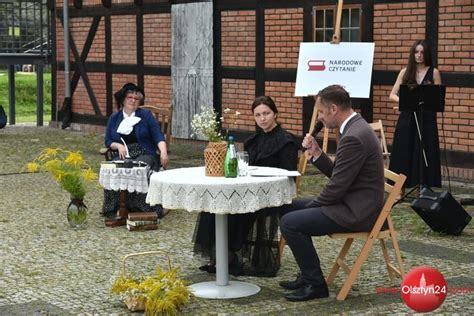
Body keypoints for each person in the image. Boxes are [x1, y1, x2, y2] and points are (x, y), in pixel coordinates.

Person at [278, 85, 384, 301]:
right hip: (349, 201)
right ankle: (307, 275)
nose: (319, 118)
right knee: (286, 207)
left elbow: (336, 187)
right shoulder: (354, 127)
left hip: (355, 212)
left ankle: (316, 285)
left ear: (333, 108)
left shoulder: (354, 135)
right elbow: (340, 174)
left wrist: (313, 206)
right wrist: (317, 153)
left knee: (291, 222)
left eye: (321, 112)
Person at [193, 96, 299, 277]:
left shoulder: (286, 141)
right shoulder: (252, 141)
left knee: (235, 209)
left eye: (266, 113)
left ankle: (231, 254)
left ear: (275, 114)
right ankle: (222, 255)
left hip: (270, 195)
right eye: (258, 115)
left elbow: (289, 175)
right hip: (249, 189)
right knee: (214, 204)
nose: (262, 118)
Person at [102, 82, 169, 217]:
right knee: (112, 168)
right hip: (122, 154)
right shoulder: (114, 118)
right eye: (129, 97)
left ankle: (143, 207)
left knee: (139, 168)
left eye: (136, 98)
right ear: (123, 100)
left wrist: (163, 152)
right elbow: (108, 141)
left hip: (144, 152)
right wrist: (118, 145)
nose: (133, 100)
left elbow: (158, 136)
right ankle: (113, 207)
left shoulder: (146, 116)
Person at [389, 40, 442, 189]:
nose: (419, 55)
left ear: (426, 54)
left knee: (426, 151)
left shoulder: (434, 72)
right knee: (403, 151)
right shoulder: (404, 72)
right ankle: (398, 188)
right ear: (412, 54)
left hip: (426, 120)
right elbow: (392, 94)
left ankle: (424, 186)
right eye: (416, 52)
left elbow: (437, 98)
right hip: (407, 118)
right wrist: (405, 102)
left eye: (422, 52)